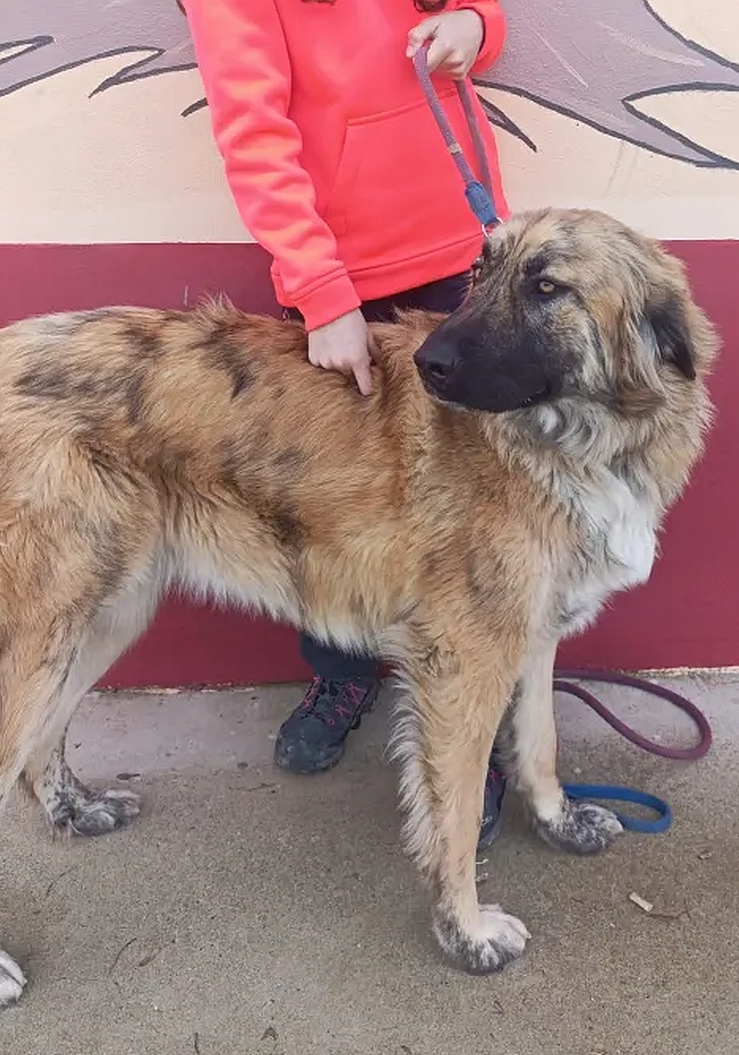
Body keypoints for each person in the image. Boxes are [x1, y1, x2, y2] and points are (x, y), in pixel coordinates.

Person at [181, 0, 511, 847]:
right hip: (341, 287)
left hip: (461, 258)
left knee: (471, 511)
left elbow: (477, 14)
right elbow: (252, 131)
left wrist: (478, 26)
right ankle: (343, 671)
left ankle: (470, 707)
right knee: (336, 501)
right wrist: (322, 292)